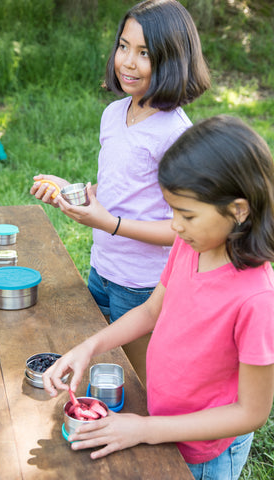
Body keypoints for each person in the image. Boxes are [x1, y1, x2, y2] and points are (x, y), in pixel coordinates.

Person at [43, 115, 274, 480]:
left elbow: (251, 412)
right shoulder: (191, 243)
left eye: (187, 214)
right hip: (161, 424)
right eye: (172, 210)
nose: (175, 225)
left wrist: (143, 429)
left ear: (239, 210)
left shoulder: (257, 299)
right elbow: (151, 311)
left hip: (206, 454)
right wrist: (91, 346)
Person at [30, 0, 210, 326]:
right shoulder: (113, 114)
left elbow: (185, 229)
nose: (127, 62)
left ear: (172, 57)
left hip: (144, 285)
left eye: (145, 53)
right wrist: (73, 192)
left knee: (138, 375)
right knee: (104, 362)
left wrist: (109, 223)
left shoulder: (175, 134)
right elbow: (121, 186)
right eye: (123, 46)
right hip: (101, 269)